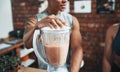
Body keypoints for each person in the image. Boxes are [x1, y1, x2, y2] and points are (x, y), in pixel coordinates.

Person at [23, 0, 83, 72]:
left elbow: (77, 48)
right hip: (44, 69)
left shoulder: (72, 20)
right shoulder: (35, 20)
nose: (64, 1)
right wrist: (37, 26)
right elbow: (27, 44)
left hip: (65, 68)